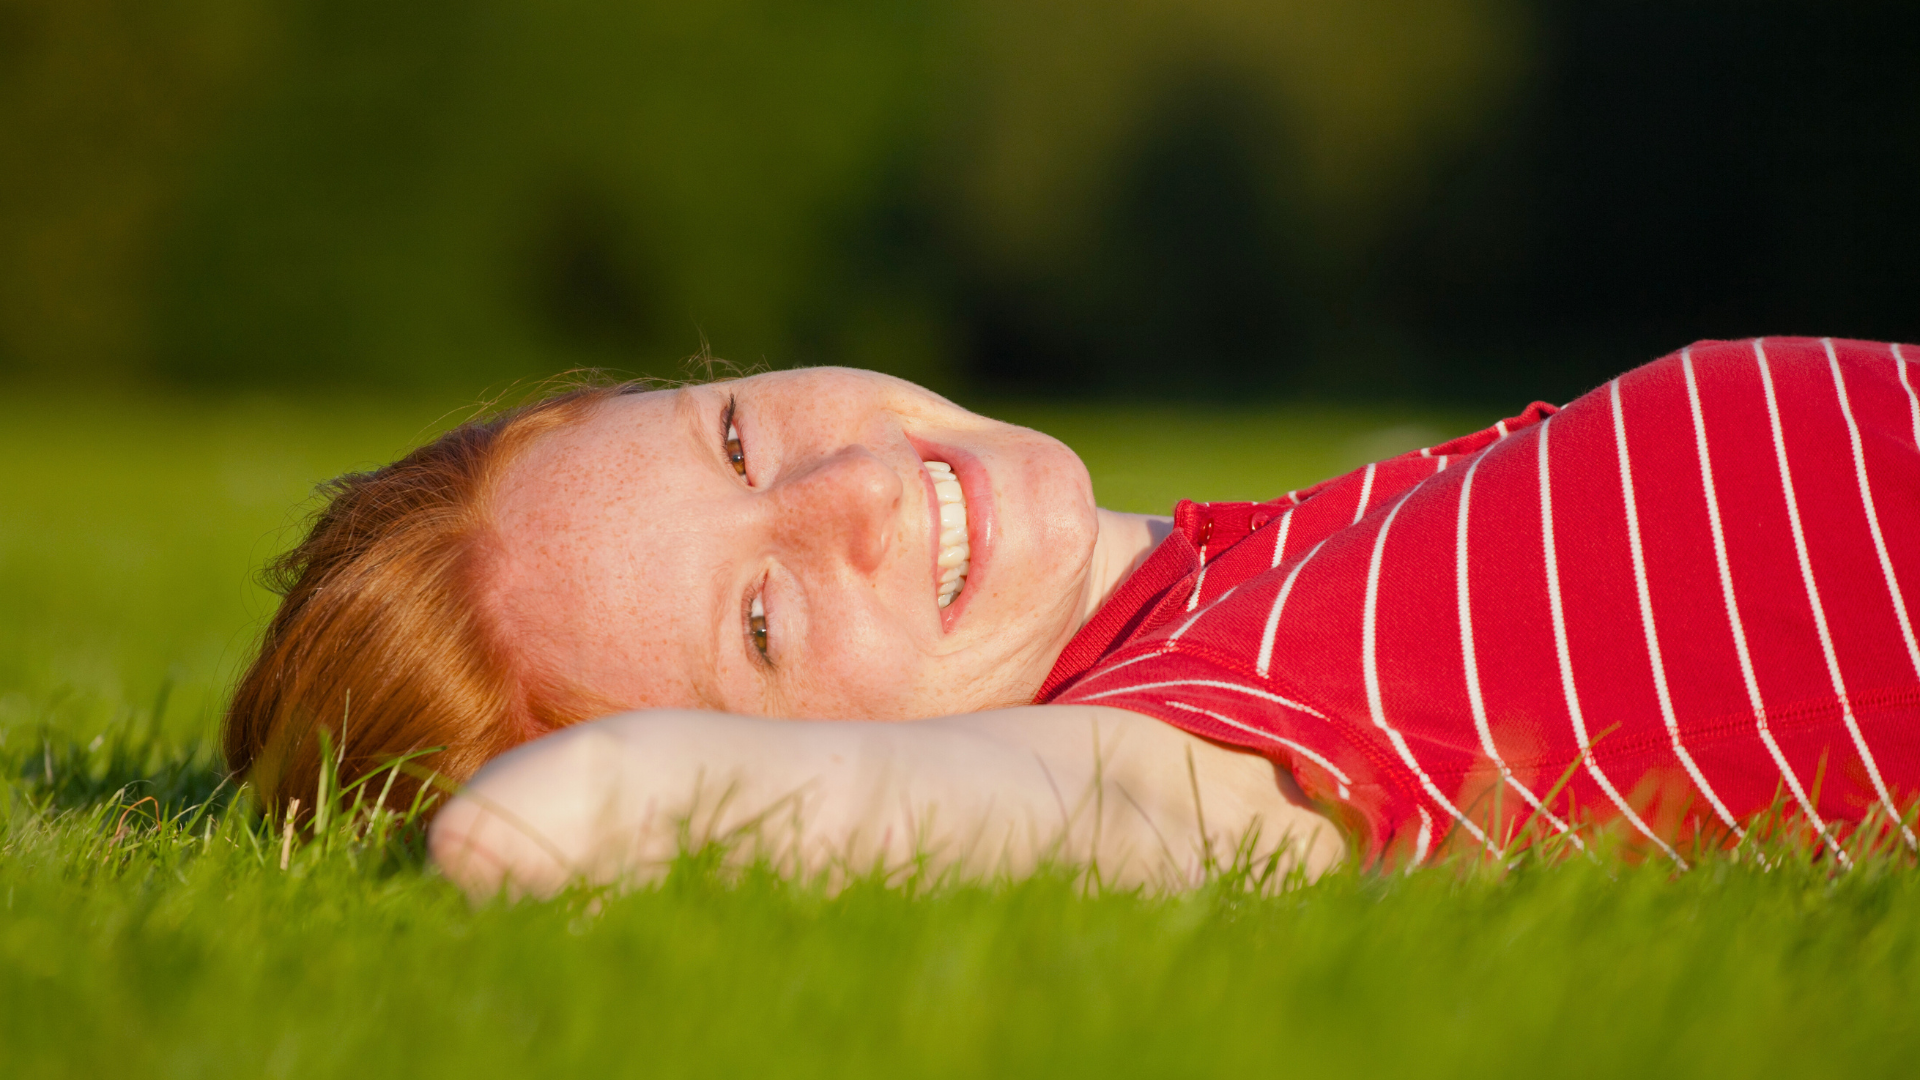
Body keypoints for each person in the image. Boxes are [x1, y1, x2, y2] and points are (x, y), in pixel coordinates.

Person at [224, 337, 1920, 897]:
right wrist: (612, 798)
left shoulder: (1265, 555)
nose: (855, 490)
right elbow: (1089, 807)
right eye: (763, 622)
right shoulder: (1204, 727)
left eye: (737, 434)